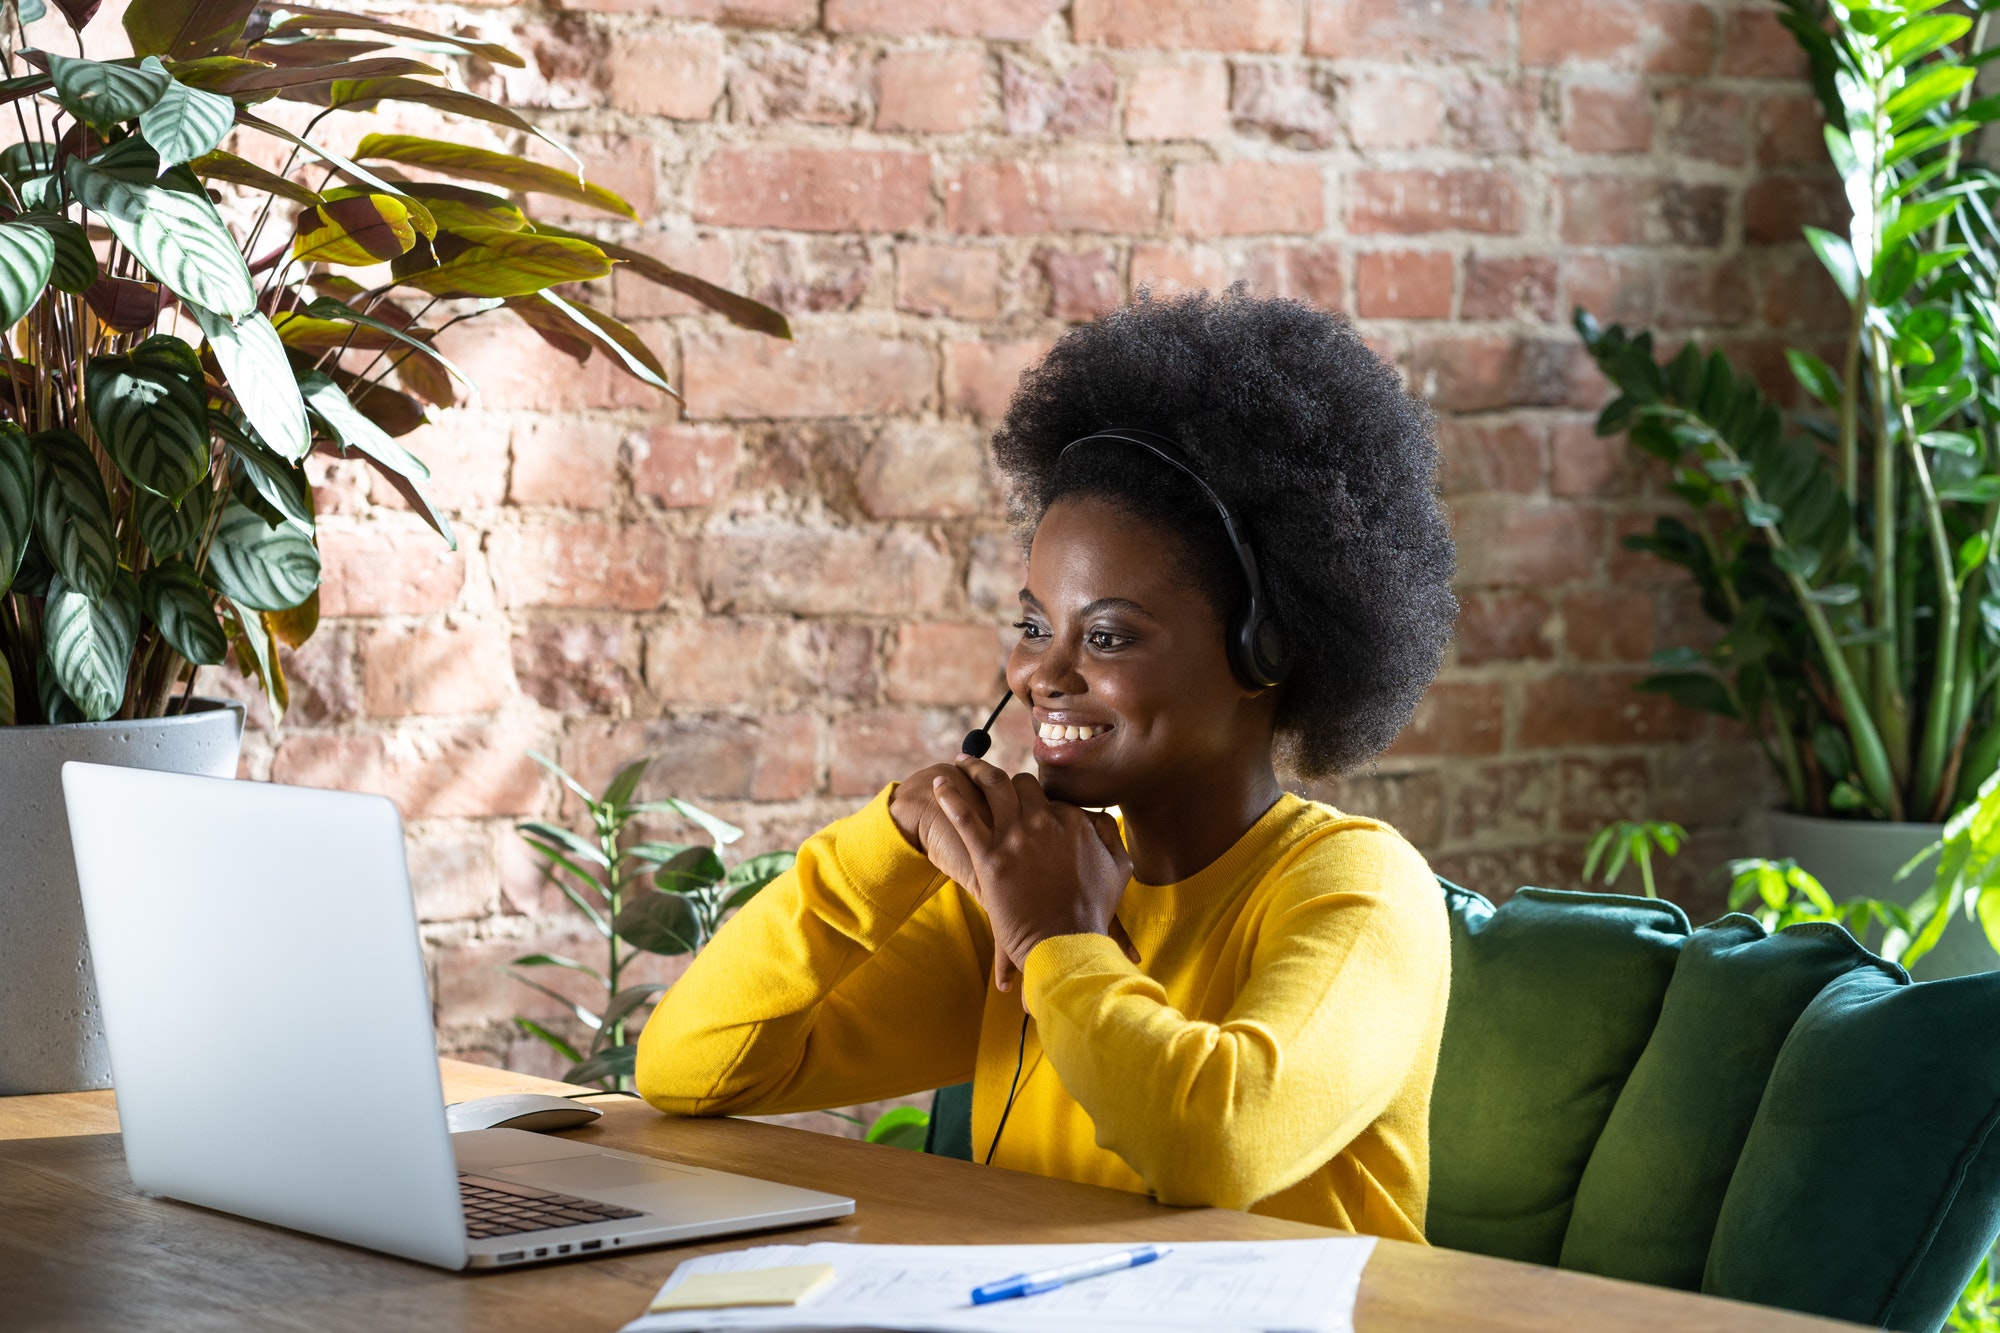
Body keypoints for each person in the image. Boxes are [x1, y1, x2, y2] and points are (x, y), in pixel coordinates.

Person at [636, 288, 1458, 1242]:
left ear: (1262, 651)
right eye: (1033, 625)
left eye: (1106, 635)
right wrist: (887, 841)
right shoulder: (1029, 882)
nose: (1039, 675)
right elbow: (693, 1065)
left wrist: (1059, 944)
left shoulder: (1357, 888)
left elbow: (1215, 1145)